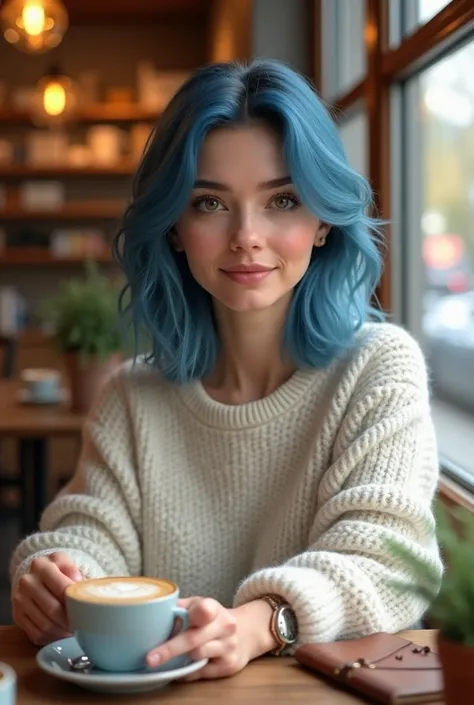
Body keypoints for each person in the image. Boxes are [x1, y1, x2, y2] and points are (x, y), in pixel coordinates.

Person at [10, 59, 442, 681]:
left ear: (323, 221)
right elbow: (87, 530)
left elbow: (388, 563)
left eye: (283, 200)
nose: (246, 236)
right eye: (210, 202)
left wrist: (263, 622)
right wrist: (55, 576)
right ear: (176, 229)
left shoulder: (379, 369)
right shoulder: (133, 394)